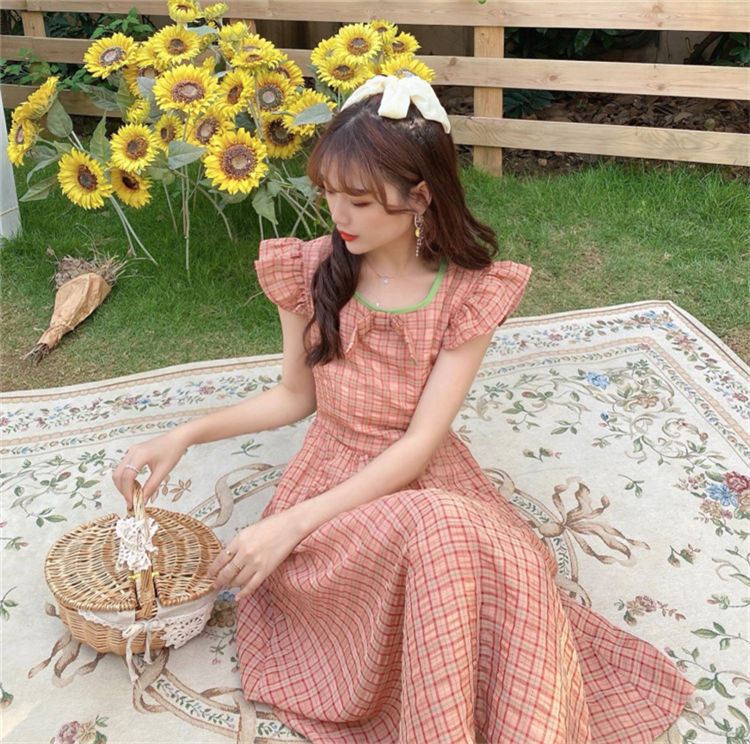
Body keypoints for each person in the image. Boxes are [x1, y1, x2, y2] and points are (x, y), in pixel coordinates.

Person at [113, 76, 693, 743]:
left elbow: (420, 445)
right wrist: (185, 434)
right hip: (334, 495)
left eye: (359, 200)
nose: (339, 214)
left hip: (428, 481)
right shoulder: (309, 269)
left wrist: (287, 526)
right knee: (446, 541)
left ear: (420, 196)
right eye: (329, 193)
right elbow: (295, 397)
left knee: (494, 563)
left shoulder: (467, 291)